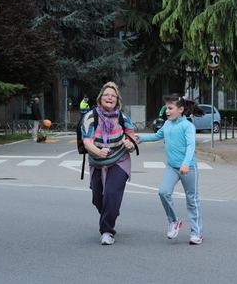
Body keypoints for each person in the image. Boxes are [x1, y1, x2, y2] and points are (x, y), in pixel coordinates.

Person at [135, 93, 205, 245]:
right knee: (163, 192)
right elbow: (157, 136)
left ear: (180, 109)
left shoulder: (188, 126)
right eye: (166, 108)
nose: (166, 111)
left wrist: (186, 163)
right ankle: (174, 221)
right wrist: (140, 138)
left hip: (189, 167)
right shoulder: (167, 124)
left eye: (170, 108)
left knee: (192, 200)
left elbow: (191, 146)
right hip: (172, 167)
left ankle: (196, 233)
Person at [81, 82, 136, 245]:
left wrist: (130, 144)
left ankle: (107, 231)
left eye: (113, 95)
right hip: (97, 161)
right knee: (99, 199)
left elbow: (132, 138)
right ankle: (111, 211)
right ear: (100, 99)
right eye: (106, 95)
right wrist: (98, 152)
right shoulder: (91, 117)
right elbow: (86, 141)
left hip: (119, 160)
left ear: (117, 100)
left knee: (111, 194)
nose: (110, 97)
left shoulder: (123, 118)